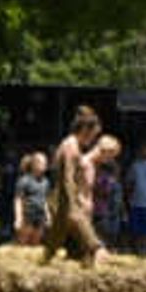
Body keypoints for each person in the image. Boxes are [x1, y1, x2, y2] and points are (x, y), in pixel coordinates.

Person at [41, 105, 117, 265]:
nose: (92, 140)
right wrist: (72, 201)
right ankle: (98, 251)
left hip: (64, 200)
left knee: (54, 243)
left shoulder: (74, 146)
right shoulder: (70, 146)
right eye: (92, 135)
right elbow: (67, 178)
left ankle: (47, 259)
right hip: (64, 199)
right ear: (84, 129)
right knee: (83, 231)